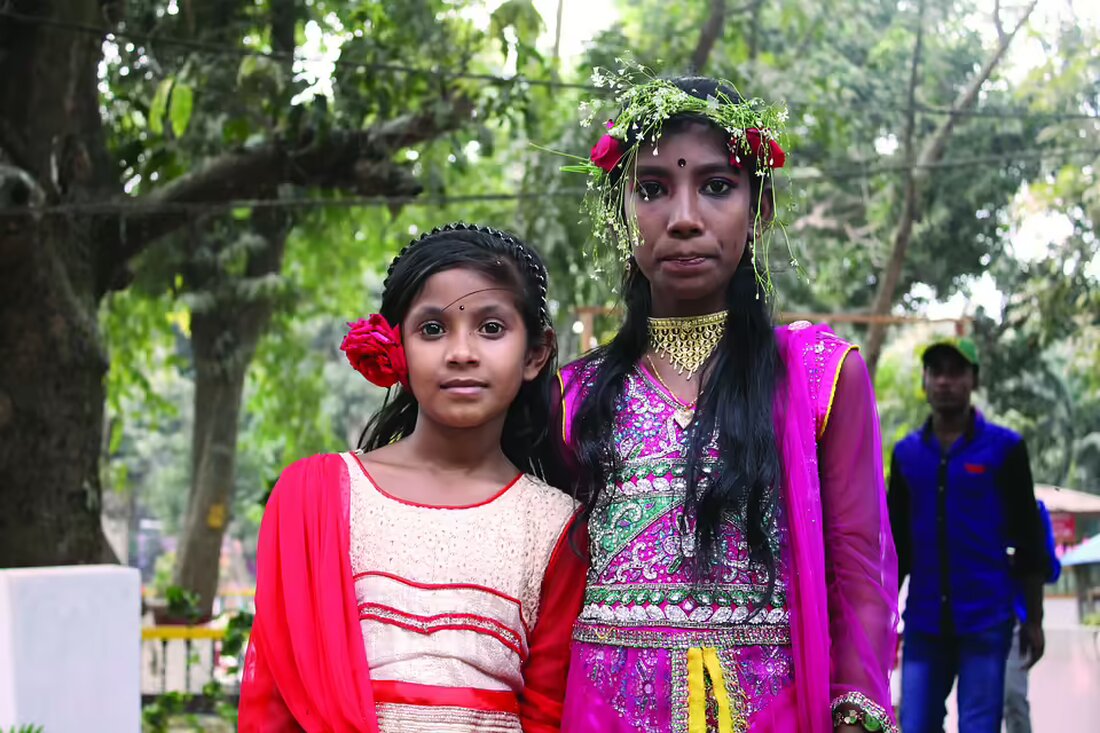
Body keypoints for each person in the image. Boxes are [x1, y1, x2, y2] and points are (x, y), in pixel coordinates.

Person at [550, 70, 899, 733]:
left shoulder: (823, 377)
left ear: (759, 209)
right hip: (602, 714)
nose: (684, 219)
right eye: (652, 190)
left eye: (717, 186)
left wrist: (856, 712)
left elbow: (860, 570)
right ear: (622, 213)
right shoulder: (572, 396)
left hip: (776, 712)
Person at [238, 223, 588, 733]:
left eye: (491, 328)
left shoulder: (556, 525)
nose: (461, 352)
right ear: (393, 348)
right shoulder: (315, 497)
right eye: (432, 329)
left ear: (535, 353)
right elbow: (273, 703)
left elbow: (547, 712)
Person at [888, 337, 1047, 733]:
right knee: (915, 723)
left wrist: (1035, 619)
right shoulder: (907, 455)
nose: (945, 381)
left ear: (973, 380)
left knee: (979, 725)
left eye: (955, 372)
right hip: (924, 622)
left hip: (986, 620)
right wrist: (884, 615)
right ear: (925, 381)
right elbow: (897, 548)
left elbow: (1029, 537)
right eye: (936, 372)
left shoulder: (1005, 449)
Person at [1004, 499, 1061, 733]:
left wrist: (1035, 622)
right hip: (959, 615)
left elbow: (1048, 568)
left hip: (1013, 620)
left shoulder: (1032, 508)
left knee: (1012, 698)